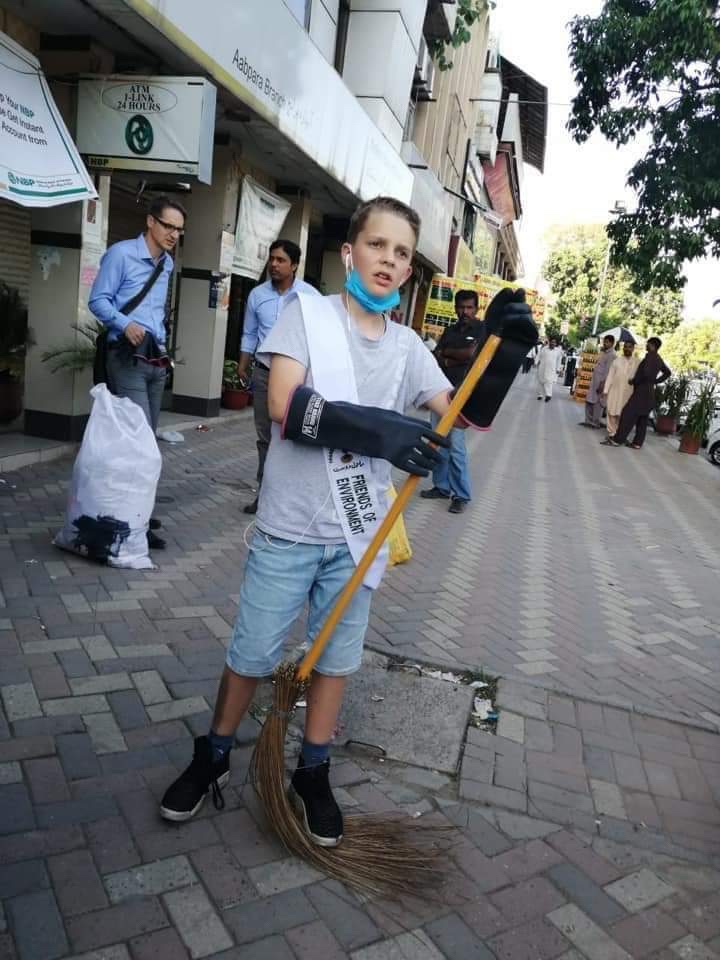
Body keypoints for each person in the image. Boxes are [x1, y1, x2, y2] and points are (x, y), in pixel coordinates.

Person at [158, 196, 535, 843]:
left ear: (408, 270)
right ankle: (214, 753)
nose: (388, 259)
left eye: (401, 252)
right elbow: (285, 405)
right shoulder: (306, 317)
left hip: (357, 536)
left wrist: (499, 361)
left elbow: (463, 414)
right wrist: (385, 431)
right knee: (251, 653)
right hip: (289, 528)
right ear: (349, 252)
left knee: (335, 662)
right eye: (377, 245)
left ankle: (313, 770)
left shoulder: (408, 347)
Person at [89, 195, 185, 550]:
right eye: (168, 226)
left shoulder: (167, 264)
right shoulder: (121, 254)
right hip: (126, 358)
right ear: (150, 221)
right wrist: (124, 323)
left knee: (147, 443)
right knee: (138, 443)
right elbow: (98, 300)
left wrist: (162, 345)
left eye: (179, 230)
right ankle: (130, 522)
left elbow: (156, 311)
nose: (174, 234)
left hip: (155, 360)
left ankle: (137, 512)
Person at [237, 240, 318, 515]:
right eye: (272, 259)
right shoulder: (257, 295)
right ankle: (264, 495)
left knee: (293, 436)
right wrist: (243, 364)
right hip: (263, 374)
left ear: (294, 265)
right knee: (265, 437)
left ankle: (292, 498)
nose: (273, 264)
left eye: (281, 260)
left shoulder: (310, 297)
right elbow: (249, 333)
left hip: (297, 379)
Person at [420, 289, 485, 514]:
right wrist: (451, 356)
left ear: (476, 308)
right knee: (438, 442)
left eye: (469, 307)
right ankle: (441, 486)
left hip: (462, 396)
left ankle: (461, 495)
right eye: (461, 307)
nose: (465, 312)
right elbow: (437, 355)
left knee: (456, 447)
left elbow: (471, 354)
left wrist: (448, 355)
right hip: (440, 392)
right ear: (455, 308)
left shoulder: (482, 330)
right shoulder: (450, 330)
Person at [602, 337, 671, 448]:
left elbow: (646, 373)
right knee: (642, 419)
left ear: (652, 345)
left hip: (641, 392)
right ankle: (637, 443)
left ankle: (617, 440)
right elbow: (667, 372)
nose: (646, 345)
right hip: (649, 393)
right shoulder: (658, 358)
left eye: (648, 344)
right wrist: (655, 381)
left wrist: (634, 381)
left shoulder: (649, 357)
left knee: (626, 414)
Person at [602, 340, 640, 437]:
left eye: (629, 347)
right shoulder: (617, 361)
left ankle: (619, 432)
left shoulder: (637, 362)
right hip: (614, 391)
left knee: (623, 413)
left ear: (633, 349)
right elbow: (610, 376)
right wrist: (606, 390)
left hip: (628, 392)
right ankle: (611, 432)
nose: (627, 349)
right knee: (611, 410)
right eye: (625, 347)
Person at [581, 334, 615, 428]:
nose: (605, 343)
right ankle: (588, 420)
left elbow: (608, 371)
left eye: (607, 342)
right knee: (589, 400)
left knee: (598, 403)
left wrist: (603, 384)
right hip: (594, 381)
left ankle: (595, 422)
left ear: (612, 343)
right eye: (604, 341)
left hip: (601, 382)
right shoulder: (603, 352)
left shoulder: (612, 355)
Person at [535, 337, 563, 401]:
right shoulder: (544, 348)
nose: (553, 343)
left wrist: (558, 369)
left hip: (551, 369)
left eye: (554, 342)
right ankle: (540, 395)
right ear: (549, 342)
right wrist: (536, 362)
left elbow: (559, 360)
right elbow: (539, 355)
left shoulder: (558, 351)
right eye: (552, 342)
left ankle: (548, 395)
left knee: (549, 382)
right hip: (542, 368)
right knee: (541, 381)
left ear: (556, 344)